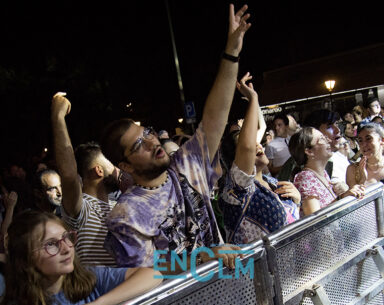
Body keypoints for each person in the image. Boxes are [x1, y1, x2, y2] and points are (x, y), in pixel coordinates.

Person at [101, 5, 251, 272]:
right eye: (138, 145)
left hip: (227, 288)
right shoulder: (127, 214)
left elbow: (215, 116)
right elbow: (146, 273)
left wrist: (232, 53)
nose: (151, 142)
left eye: (147, 133)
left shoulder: (185, 166)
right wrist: (204, 257)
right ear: (125, 166)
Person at [0, 210, 162, 305]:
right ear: (26, 258)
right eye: (51, 244)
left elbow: (153, 274)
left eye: (66, 237)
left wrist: (98, 304)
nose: (66, 248)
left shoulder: (90, 277)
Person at [220, 73, 300, 244]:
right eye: (246, 145)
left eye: (257, 141)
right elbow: (247, 146)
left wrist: (297, 201)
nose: (256, 145)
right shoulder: (238, 189)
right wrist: (254, 98)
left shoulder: (270, 182)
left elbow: (262, 126)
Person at [51, 93, 123, 266]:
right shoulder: (81, 209)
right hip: (102, 291)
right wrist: (58, 117)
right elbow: (69, 175)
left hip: (131, 286)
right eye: (112, 164)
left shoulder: (119, 206)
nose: (118, 170)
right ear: (98, 170)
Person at [289, 127, 365, 216]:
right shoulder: (305, 177)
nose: (328, 140)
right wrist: (343, 197)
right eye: (322, 139)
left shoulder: (323, 174)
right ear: (309, 151)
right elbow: (314, 217)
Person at [346, 122, 384, 187]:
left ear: (382, 140)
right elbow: (354, 195)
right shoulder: (353, 170)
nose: (364, 144)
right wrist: (362, 180)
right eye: (360, 140)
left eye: (368, 139)